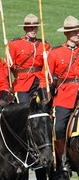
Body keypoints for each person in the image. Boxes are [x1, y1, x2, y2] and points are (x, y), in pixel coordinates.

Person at [40, 15, 79, 175]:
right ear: (67, 34)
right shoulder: (55, 53)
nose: (77, 33)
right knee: (59, 127)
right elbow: (45, 78)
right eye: (74, 31)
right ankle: (63, 160)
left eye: (78, 30)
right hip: (65, 96)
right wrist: (45, 96)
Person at [8, 14, 51, 104]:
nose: (33, 30)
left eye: (35, 27)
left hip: (40, 82)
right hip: (23, 82)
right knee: (24, 108)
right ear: (25, 28)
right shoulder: (15, 44)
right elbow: (9, 66)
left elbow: (47, 67)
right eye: (30, 27)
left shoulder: (44, 45)